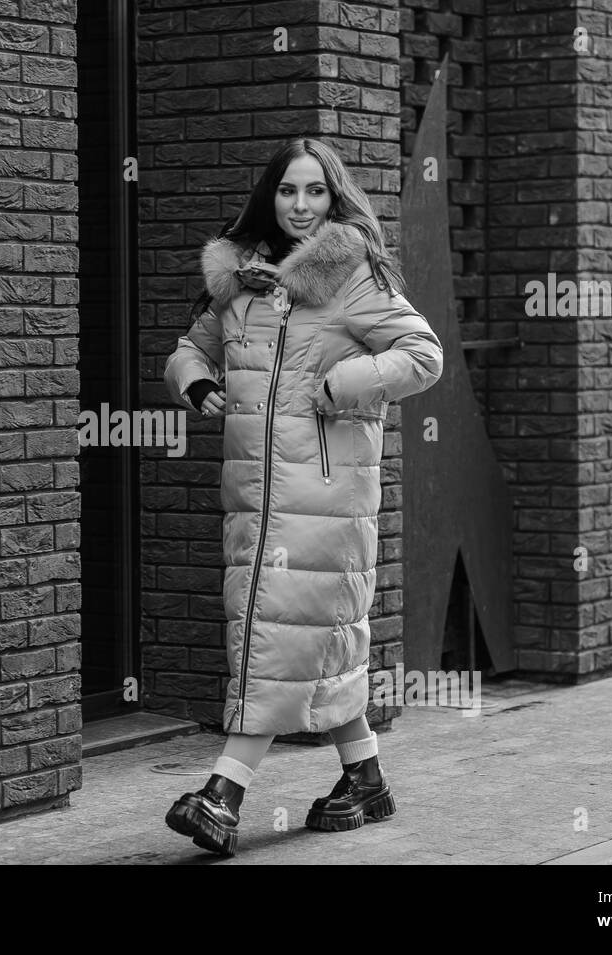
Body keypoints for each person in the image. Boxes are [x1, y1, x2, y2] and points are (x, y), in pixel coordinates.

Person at [161, 137, 444, 856]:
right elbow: (192, 347)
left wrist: (345, 386)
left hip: (324, 499)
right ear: (271, 197)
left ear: (334, 196)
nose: (301, 206)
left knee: (279, 643)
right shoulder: (240, 282)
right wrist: (195, 381)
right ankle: (368, 778)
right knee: (306, 647)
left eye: (316, 192)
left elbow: (423, 354)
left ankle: (223, 795)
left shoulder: (353, 276)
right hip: (255, 500)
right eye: (289, 191)